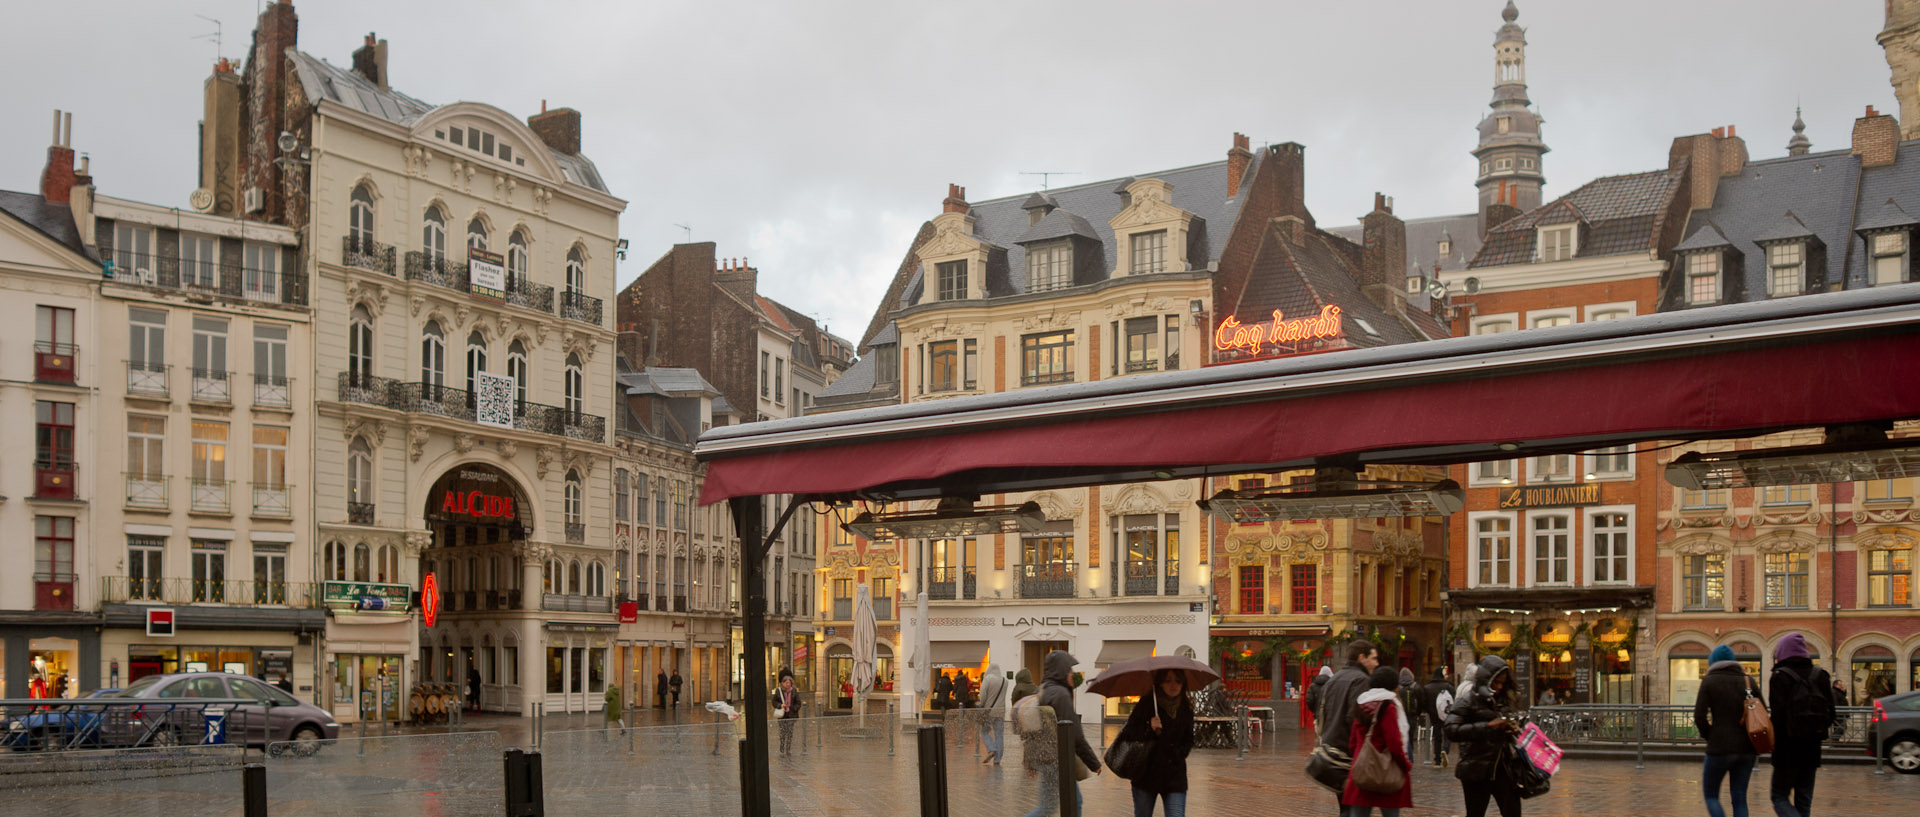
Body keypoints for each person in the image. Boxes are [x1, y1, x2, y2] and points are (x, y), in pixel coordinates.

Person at [1767, 632, 1841, 817]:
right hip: (1812, 747)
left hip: (1787, 748)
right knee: (1804, 799)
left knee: (1779, 796)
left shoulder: (1779, 676)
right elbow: (1832, 713)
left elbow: (1777, 716)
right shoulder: (1821, 675)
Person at [1020, 650, 1101, 817]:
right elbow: (1075, 734)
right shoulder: (1060, 695)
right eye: (1070, 670)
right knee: (1050, 807)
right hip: (1056, 759)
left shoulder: (1042, 689)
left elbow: (1031, 733)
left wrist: (1030, 761)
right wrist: (1093, 762)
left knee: (1071, 802)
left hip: (1048, 757)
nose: (1072, 673)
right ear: (1062, 670)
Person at [1445, 655, 1523, 817]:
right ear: (1485, 679)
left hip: (1503, 767)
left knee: (1513, 812)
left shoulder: (1502, 700)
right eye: (1496, 682)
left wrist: (1509, 729)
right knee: (1475, 813)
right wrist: (1487, 727)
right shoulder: (1467, 701)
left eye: (1503, 682)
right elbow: (1451, 729)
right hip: (1476, 769)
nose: (1500, 686)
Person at [1116, 668, 1195, 817]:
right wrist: (1149, 728)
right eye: (1168, 680)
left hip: (1174, 777)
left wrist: (1178, 755)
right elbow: (1129, 734)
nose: (1174, 685)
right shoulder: (1147, 704)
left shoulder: (1186, 707)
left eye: (1178, 681)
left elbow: (1189, 739)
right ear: (1160, 683)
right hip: (1146, 775)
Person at [1695, 645, 1763, 817]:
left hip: (1719, 747)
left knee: (1711, 795)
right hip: (1747, 748)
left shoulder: (1709, 681)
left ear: (1713, 661)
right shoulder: (1749, 681)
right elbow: (1763, 711)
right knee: (1739, 797)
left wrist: (1710, 736)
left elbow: (1699, 716)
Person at [1318, 642, 1382, 816]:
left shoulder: (1335, 678)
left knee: (1345, 805)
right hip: (1351, 752)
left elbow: (1322, 711)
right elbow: (1356, 718)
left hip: (1333, 749)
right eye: (1373, 658)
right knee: (1354, 807)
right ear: (1361, 657)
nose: (1376, 663)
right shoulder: (1362, 680)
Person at [1342, 666, 1413, 817]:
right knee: (1391, 813)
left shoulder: (1360, 704)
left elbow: (1353, 742)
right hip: (1385, 770)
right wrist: (1405, 765)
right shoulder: (1388, 706)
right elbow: (1394, 742)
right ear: (1393, 685)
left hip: (1362, 768)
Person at [1419, 668, 1454, 767]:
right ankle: (1445, 750)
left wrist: (1430, 711)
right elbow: (1454, 700)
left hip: (1434, 716)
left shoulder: (1427, 687)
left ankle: (1437, 760)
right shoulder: (1448, 686)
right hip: (1447, 714)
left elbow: (1424, 703)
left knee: (1437, 737)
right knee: (1448, 734)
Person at [980, 663, 1009, 764]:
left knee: (984, 732)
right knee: (999, 735)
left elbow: (982, 695)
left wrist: (981, 704)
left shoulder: (988, 679)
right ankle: (998, 759)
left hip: (989, 711)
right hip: (1001, 712)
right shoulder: (1005, 681)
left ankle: (991, 748)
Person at [773, 669, 801, 756]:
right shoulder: (778, 691)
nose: (788, 684)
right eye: (786, 683)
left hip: (791, 715)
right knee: (782, 733)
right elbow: (774, 702)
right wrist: (781, 705)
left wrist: (794, 708)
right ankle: (781, 749)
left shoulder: (794, 691)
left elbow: (798, 702)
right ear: (782, 683)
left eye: (790, 683)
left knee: (790, 732)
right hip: (782, 716)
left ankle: (788, 749)